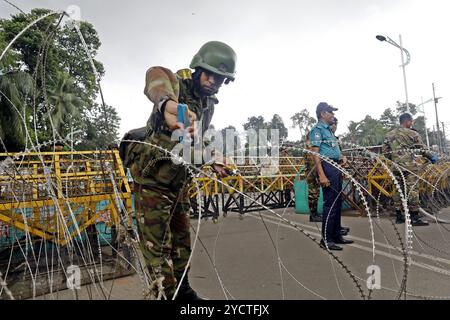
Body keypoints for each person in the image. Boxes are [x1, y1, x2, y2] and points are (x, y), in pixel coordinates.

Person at [129, 41, 237, 300]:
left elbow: (197, 139)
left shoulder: (208, 104)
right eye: (210, 74)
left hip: (179, 183)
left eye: (220, 78)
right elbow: (156, 74)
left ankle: (182, 292)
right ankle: (164, 294)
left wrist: (215, 156)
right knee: (158, 249)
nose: (213, 81)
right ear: (198, 69)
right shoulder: (178, 86)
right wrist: (166, 103)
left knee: (181, 244)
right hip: (154, 183)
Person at [309, 103, 353, 251]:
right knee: (330, 204)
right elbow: (315, 154)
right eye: (330, 112)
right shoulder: (317, 130)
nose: (333, 115)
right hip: (326, 167)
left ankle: (336, 235)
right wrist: (321, 174)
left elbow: (333, 150)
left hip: (335, 166)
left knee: (337, 202)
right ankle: (326, 239)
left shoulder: (329, 131)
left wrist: (342, 157)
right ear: (322, 114)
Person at [382, 113, 437, 226]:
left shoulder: (389, 134)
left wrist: (395, 160)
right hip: (409, 167)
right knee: (412, 190)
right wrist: (431, 157)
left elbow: (385, 152)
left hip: (396, 167)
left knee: (398, 190)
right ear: (407, 121)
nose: (412, 124)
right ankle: (415, 217)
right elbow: (422, 149)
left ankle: (399, 216)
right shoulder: (412, 133)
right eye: (411, 121)